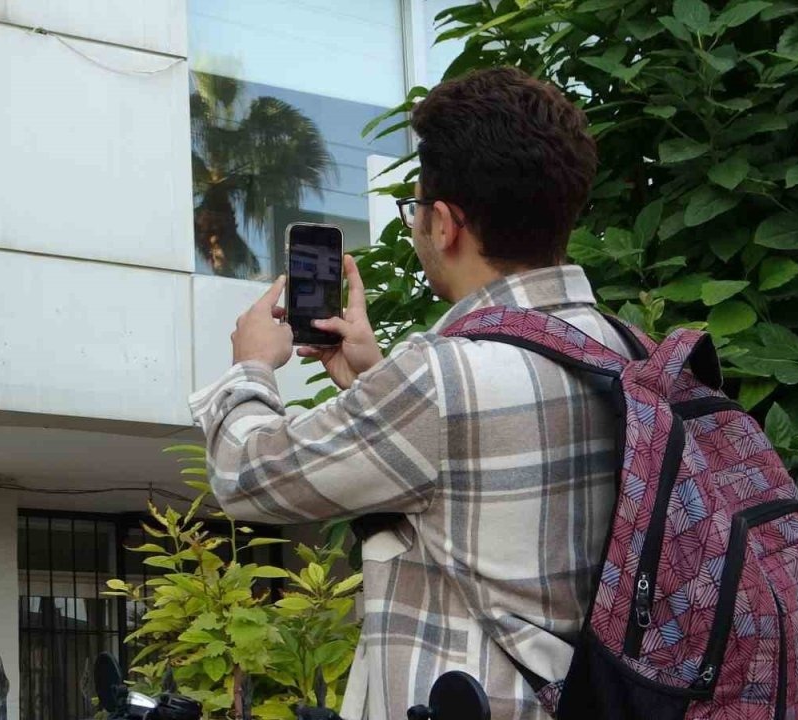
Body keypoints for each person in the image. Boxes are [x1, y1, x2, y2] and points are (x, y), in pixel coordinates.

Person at [191, 68, 618, 719]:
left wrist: (250, 368)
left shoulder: (443, 380)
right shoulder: (626, 352)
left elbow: (247, 476)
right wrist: (370, 375)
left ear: (445, 224)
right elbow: (475, 487)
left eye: (415, 210)